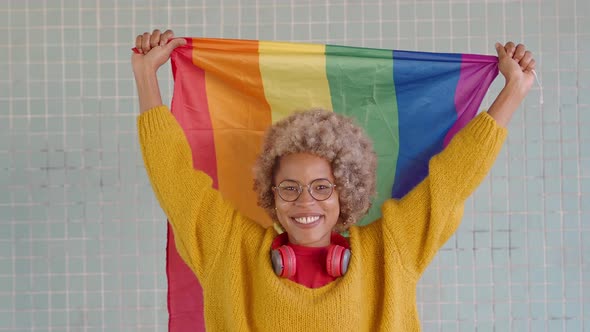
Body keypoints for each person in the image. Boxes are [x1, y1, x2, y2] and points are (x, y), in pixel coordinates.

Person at [132, 29, 535, 331]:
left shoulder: (391, 249)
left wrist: (513, 91)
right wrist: (146, 77)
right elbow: (176, 182)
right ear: (272, 194)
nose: (305, 202)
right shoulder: (228, 249)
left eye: (322, 187)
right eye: (289, 187)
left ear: (347, 192)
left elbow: (451, 181)